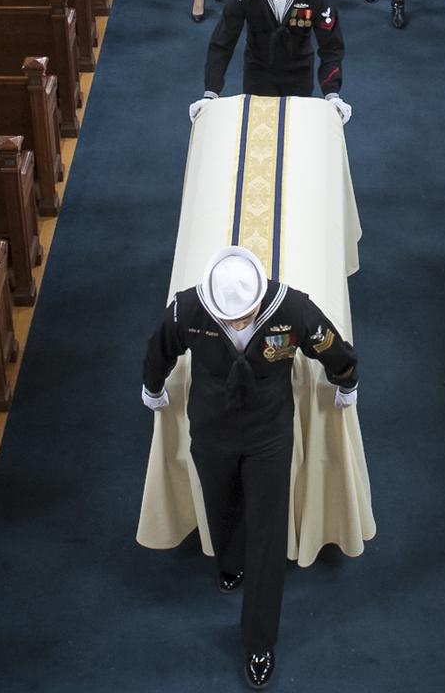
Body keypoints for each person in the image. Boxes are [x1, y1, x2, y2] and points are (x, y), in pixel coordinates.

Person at [142, 244, 358, 690]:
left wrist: (347, 379)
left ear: (260, 298)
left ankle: (259, 640)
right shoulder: (189, 307)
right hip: (212, 427)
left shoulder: (292, 307)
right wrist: (152, 387)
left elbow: (327, 343)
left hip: (268, 435)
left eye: (245, 316)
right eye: (229, 319)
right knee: (220, 501)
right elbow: (159, 347)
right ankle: (229, 560)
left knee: (268, 530)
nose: (238, 325)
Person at [198, 0, 347, 105]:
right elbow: (222, 42)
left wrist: (332, 93)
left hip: (299, 74)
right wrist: (211, 92)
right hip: (258, 74)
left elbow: (332, 47)